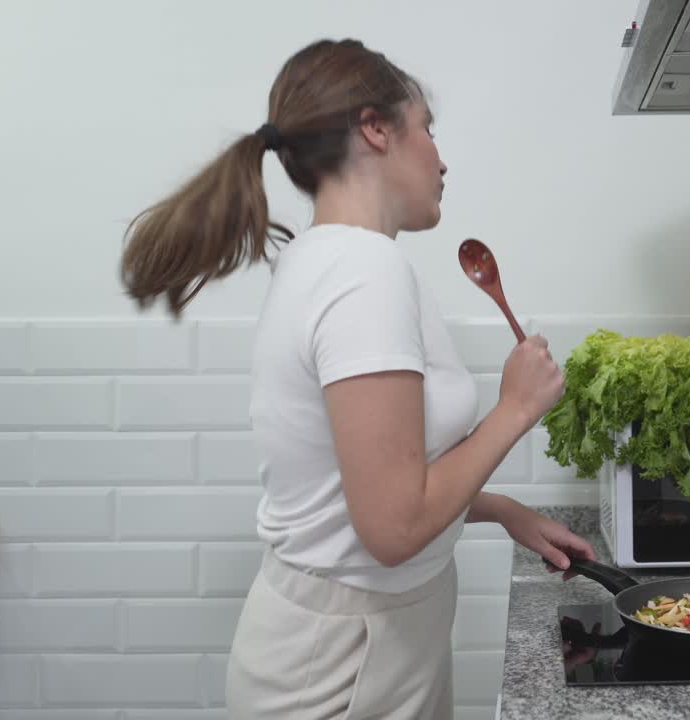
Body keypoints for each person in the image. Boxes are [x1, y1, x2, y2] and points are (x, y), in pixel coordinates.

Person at [119, 38, 596, 719]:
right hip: (340, 665)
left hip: (372, 640)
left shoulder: (339, 262)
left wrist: (506, 512)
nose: (441, 155)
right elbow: (393, 527)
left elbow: (368, 484)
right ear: (376, 129)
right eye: (427, 128)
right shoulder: (360, 274)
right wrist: (514, 410)